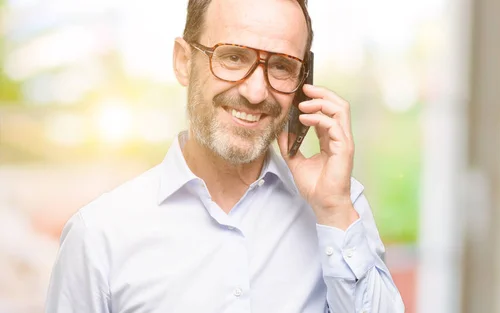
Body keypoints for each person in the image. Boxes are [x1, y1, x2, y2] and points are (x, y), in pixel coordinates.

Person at [44, 0, 405, 312]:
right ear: (184, 61)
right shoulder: (98, 237)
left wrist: (333, 210)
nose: (255, 91)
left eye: (281, 66)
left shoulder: (340, 208)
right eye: (233, 57)